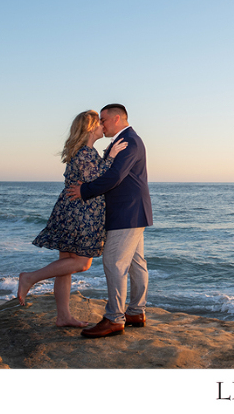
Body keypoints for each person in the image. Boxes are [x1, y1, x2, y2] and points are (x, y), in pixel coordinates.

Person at [16, 110, 127, 327]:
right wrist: (111, 157)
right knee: (82, 263)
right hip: (81, 212)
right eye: (100, 123)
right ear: (90, 128)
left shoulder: (84, 151)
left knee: (65, 265)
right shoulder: (85, 152)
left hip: (71, 209)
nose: (103, 126)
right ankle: (30, 278)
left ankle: (63, 316)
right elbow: (97, 179)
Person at [66, 103, 153, 338]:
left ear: (116, 118)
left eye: (103, 120)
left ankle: (115, 318)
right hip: (131, 211)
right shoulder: (125, 141)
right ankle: (136, 312)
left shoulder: (129, 141)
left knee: (114, 262)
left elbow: (114, 177)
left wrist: (84, 191)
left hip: (126, 212)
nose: (101, 125)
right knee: (136, 263)